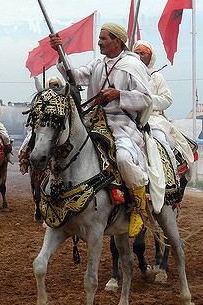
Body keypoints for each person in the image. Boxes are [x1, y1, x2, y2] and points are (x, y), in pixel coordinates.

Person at [50, 23, 153, 237]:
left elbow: (145, 99)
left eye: (103, 38)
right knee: (59, 148)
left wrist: (119, 95)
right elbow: (75, 76)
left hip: (122, 125)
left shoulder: (132, 65)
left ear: (117, 40)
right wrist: (60, 53)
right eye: (99, 38)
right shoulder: (98, 63)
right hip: (92, 123)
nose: (99, 42)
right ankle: (55, 198)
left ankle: (138, 206)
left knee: (124, 159)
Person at [133, 40, 196, 168]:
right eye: (136, 53)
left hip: (153, 119)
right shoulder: (126, 74)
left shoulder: (156, 77)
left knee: (161, 141)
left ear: (150, 57)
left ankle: (171, 174)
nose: (139, 57)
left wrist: (146, 100)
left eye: (143, 53)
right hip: (129, 118)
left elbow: (167, 99)